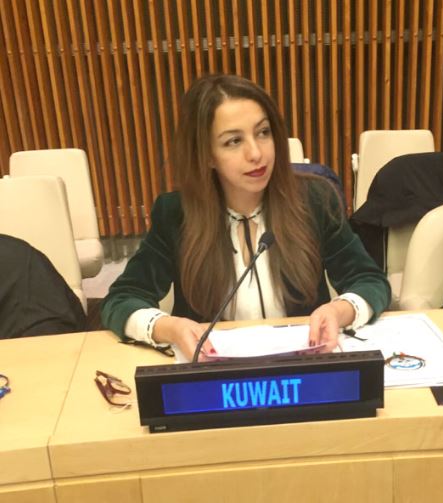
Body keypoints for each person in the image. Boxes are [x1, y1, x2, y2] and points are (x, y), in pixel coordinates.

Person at [102, 74, 390, 362]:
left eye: (263, 132)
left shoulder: (315, 200)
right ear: (207, 155)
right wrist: (170, 328)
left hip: (301, 371)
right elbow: (121, 300)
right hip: (215, 376)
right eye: (233, 141)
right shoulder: (176, 213)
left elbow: (370, 281)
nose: (256, 153)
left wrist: (338, 311)